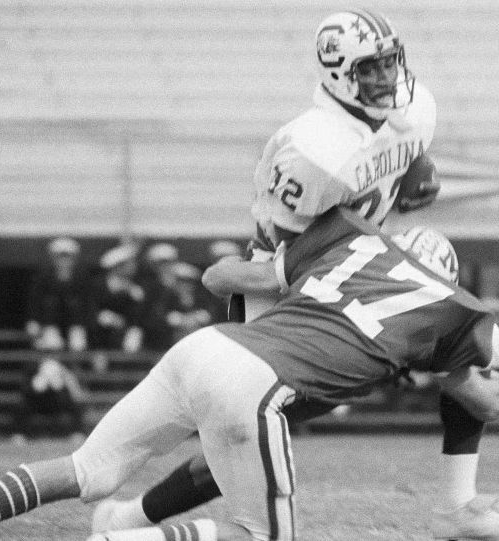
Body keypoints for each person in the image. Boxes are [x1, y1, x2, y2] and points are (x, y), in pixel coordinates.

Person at [0, 208, 499, 541]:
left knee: (87, 468)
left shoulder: (357, 243)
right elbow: (485, 395)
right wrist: (454, 377)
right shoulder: (457, 308)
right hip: (255, 387)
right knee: (259, 537)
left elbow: (235, 276)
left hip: (205, 348)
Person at [91, 8, 475, 538]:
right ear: (339, 73)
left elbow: (401, 154)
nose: (387, 77)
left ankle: (127, 515)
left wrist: (417, 168)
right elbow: (287, 253)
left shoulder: (414, 107)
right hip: (289, 284)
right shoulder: (311, 150)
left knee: (263, 429)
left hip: (354, 272)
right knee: (246, 428)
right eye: (372, 67)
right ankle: (125, 512)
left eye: (391, 62)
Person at [25, 237, 90, 352]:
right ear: (53, 259)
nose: (64, 261)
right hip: (49, 324)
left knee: (78, 346)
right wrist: (33, 320)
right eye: (60, 257)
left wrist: (85, 325)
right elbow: (35, 302)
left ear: (74, 259)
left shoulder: (82, 279)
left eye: (68, 257)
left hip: (76, 325)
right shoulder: (43, 279)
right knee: (53, 346)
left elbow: (88, 304)